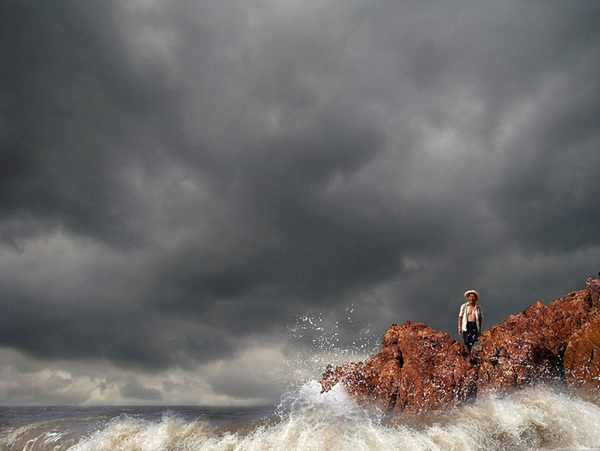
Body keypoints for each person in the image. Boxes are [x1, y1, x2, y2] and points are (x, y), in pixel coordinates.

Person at [458, 289, 482, 356]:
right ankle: (469, 354)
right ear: (468, 298)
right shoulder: (464, 306)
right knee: (466, 340)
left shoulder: (478, 307)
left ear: (475, 298)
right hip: (466, 324)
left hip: (474, 325)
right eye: (470, 296)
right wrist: (459, 327)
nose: (472, 298)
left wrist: (479, 329)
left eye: (473, 296)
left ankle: (470, 353)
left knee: (473, 339)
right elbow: (460, 317)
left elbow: (480, 318)